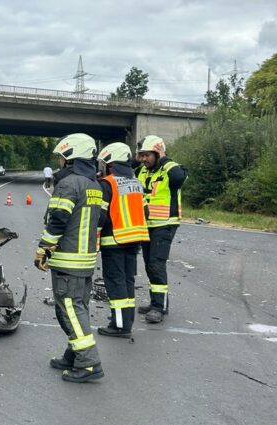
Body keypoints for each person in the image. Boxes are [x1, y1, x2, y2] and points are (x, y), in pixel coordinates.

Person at [35, 133, 105, 383]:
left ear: (71, 158)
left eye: (61, 158)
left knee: (70, 310)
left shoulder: (68, 184)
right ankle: (74, 355)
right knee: (78, 308)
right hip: (86, 259)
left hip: (68, 260)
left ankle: (88, 363)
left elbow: (58, 220)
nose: (59, 163)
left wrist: (44, 248)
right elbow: (102, 221)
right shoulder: (95, 185)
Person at [96, 142, 149, 338]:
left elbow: (100, 217)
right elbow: (146, 212)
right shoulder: (136, 182)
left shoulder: (107, 184)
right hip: (134, 241)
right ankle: (126, 322)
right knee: (127, 281)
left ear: (110, 163)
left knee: (115, 282)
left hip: (114, 241)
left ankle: (119, 326)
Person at [135, 135, 187, 324]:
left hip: (165, 224)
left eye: (147, 155)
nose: (143, 159)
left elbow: (180, 178)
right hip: (147, 225)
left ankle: (159, 307)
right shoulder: (142, 171)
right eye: (141, 155)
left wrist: (164, 157)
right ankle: (156, 301)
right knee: (150, 264)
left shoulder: (170, 169)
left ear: (158, 153)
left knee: (156, 264)